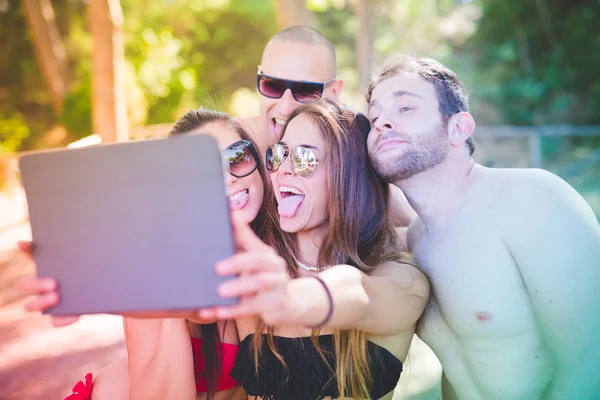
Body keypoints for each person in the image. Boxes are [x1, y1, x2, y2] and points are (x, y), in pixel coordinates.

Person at [365, 54, 600, 400]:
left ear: (458, 127)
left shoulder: (531, 199)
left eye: (405, 108)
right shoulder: (414, 244)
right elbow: (460, 370)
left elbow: (590, 366)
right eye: (374, 116)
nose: (382, 122)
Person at [17, 108, 270, 400]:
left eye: (237, 156)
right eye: (205, 170)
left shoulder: (279, 254)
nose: (228, 178)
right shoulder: (156, 263)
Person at [195, 98, 430, 399]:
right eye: (279, 154)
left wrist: (291, 299)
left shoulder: (402, 278)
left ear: (349, 175)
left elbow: (359, 296)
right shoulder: (254, 268)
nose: (284, 170)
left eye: (305, 158)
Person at [241, 25, 416, 228]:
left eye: (305, 90)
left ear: (333, 92)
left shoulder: (350, 154)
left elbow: (410, 223)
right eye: (272, 84)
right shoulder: (230, 146)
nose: (286, 106)